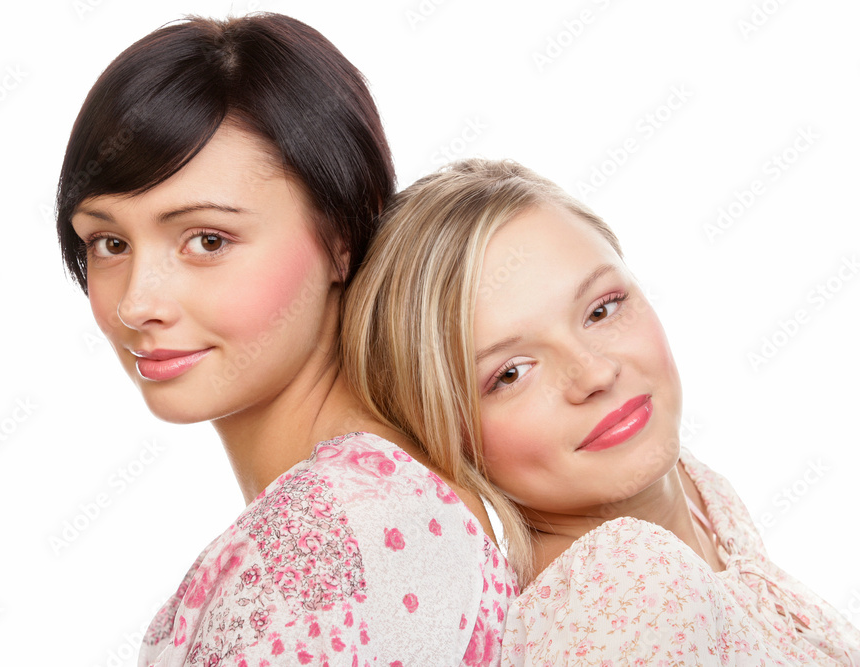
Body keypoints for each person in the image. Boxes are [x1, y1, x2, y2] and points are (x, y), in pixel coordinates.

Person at [55, 14, 517, 666]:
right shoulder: (395, 496)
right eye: (109, 243)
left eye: (207, 240)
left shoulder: (315, 546)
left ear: (342, 235)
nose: (136, 304)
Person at [342, 158, 860, 665]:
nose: (594, 372)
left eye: (601, 309)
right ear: (446, 436)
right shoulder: (631, 592)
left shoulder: (697, 488)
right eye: (511, 373)